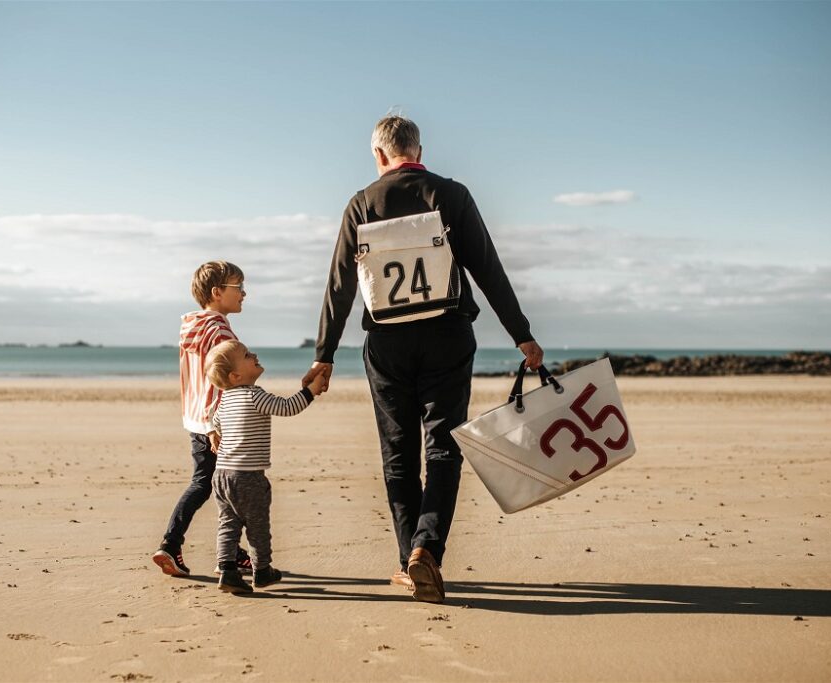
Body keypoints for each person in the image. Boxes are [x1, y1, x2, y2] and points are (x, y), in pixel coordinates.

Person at [303, 115, 544, 603]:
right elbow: (487, 269)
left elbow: (339, 287)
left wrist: (324, 355)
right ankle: (426, 551)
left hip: (388, 344)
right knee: (442, 448)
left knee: (398, 455)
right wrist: (523, 336)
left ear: (378, 155)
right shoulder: (451, 194)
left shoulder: (360, 204)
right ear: (418, 148)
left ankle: (406, 560)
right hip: (447, 336)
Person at [151, 261, 253, 578]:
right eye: (238, 287)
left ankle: (231, 552)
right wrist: (214, 425)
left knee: (215, 485)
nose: (244, 294)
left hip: (195, 420)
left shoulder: (192, 327)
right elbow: (216, 381)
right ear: (217, 292)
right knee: (216, 486)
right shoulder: (219, 330)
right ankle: (172, 544)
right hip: (214, 424)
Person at [205, 340, 327, 593]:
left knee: (228, 522)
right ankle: (262, 571)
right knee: (257, 524)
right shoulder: (254, 394)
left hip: (222, 475)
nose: (254, 355)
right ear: (235, 375)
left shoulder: (225, 400)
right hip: (248, 477)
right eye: (247, 355)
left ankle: (227, 570)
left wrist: (213, 434)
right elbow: (287, 407)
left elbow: (214, 420)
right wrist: (311, 391)